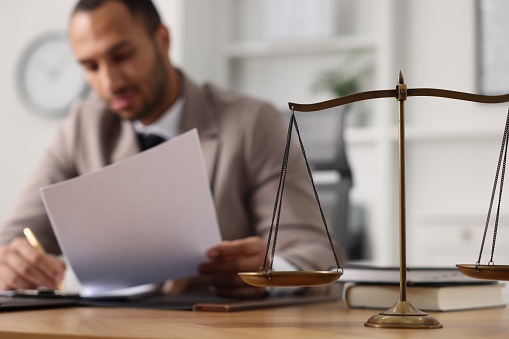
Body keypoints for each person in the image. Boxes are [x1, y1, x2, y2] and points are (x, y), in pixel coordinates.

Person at [0, 0, 338, 298]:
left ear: (162, 39)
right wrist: (13, 262)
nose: (110, 82)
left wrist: (269, 269)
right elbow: (15, 237)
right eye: (91, 66)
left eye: (122, 56)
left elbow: (316, 254)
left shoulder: (251, 122)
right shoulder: (83, 126)